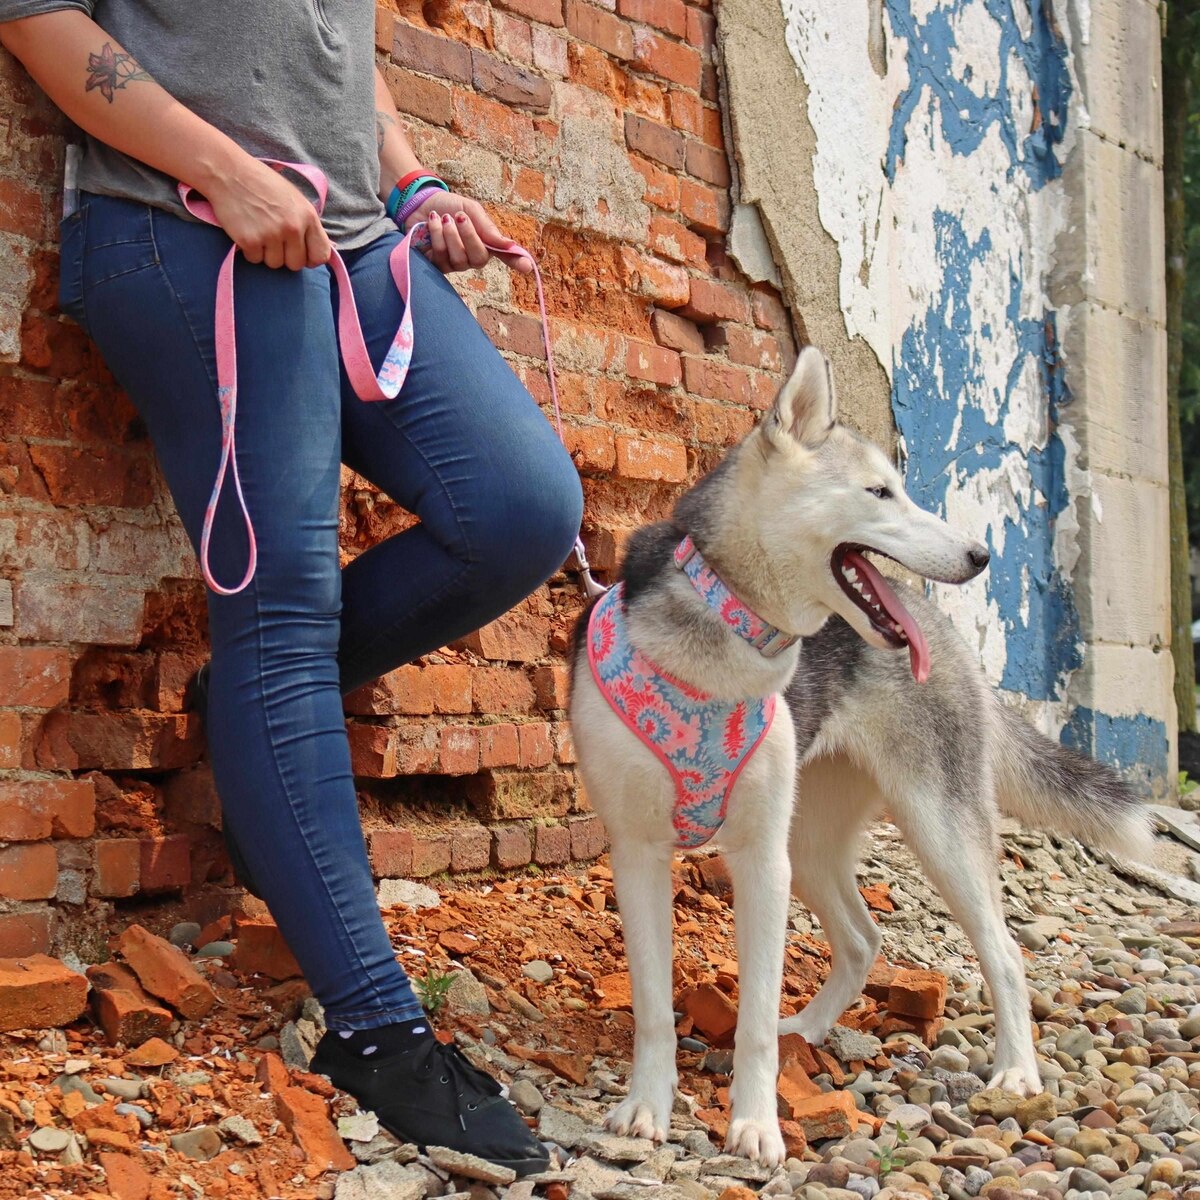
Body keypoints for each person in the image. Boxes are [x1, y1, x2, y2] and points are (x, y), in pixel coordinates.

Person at [0, 1, 584, 1175]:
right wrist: (227, 172)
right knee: (283, 608)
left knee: (523, 507)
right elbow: (37, 18)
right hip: (183, 218)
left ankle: (254, 710)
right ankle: (376, 1031)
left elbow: (336, 54)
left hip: (352, 239)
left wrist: (413, 181)